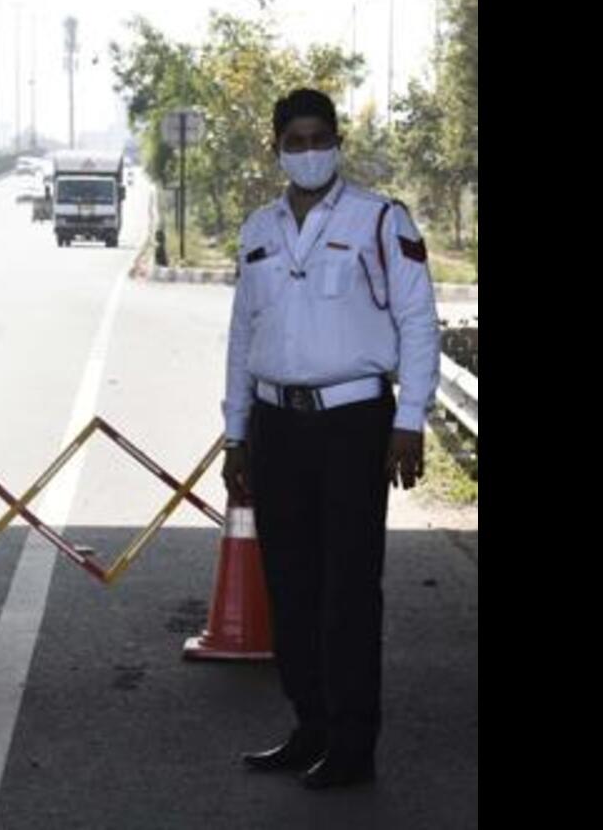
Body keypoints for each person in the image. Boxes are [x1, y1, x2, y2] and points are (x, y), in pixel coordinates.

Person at [221, 87, 440, 790]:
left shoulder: (381, 218)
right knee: (289, 583)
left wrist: (409, 421)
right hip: (277, 424)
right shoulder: (258, 229)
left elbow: (418, 320)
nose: (310, 151)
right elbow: (240, 336)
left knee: (348, 588)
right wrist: (236, 432)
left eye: (321, 138)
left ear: (338, 142)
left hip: (354, 423)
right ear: (277, 148)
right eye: (296, 141)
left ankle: (353, 744)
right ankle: (309, 723)